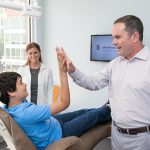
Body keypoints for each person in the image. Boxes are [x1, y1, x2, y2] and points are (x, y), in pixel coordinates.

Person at [56, 15, 150, 150]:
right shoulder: (115, 64)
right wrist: (72, 70)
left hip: (141, 140)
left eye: (117, 37)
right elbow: (92, 82)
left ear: (134, 37)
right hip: (116, 135)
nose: (113, 42)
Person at [0, 50, 111, 150]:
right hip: (59, 133)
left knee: (82, 112)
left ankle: (105, 109)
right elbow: (64, 102)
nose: (25, 84)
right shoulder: (27, 113)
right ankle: (111, 108)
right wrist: (62, 72)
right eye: (20, 83)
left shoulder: (8, 107)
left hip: (52, 123)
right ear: (11, 92)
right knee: (94, 115)